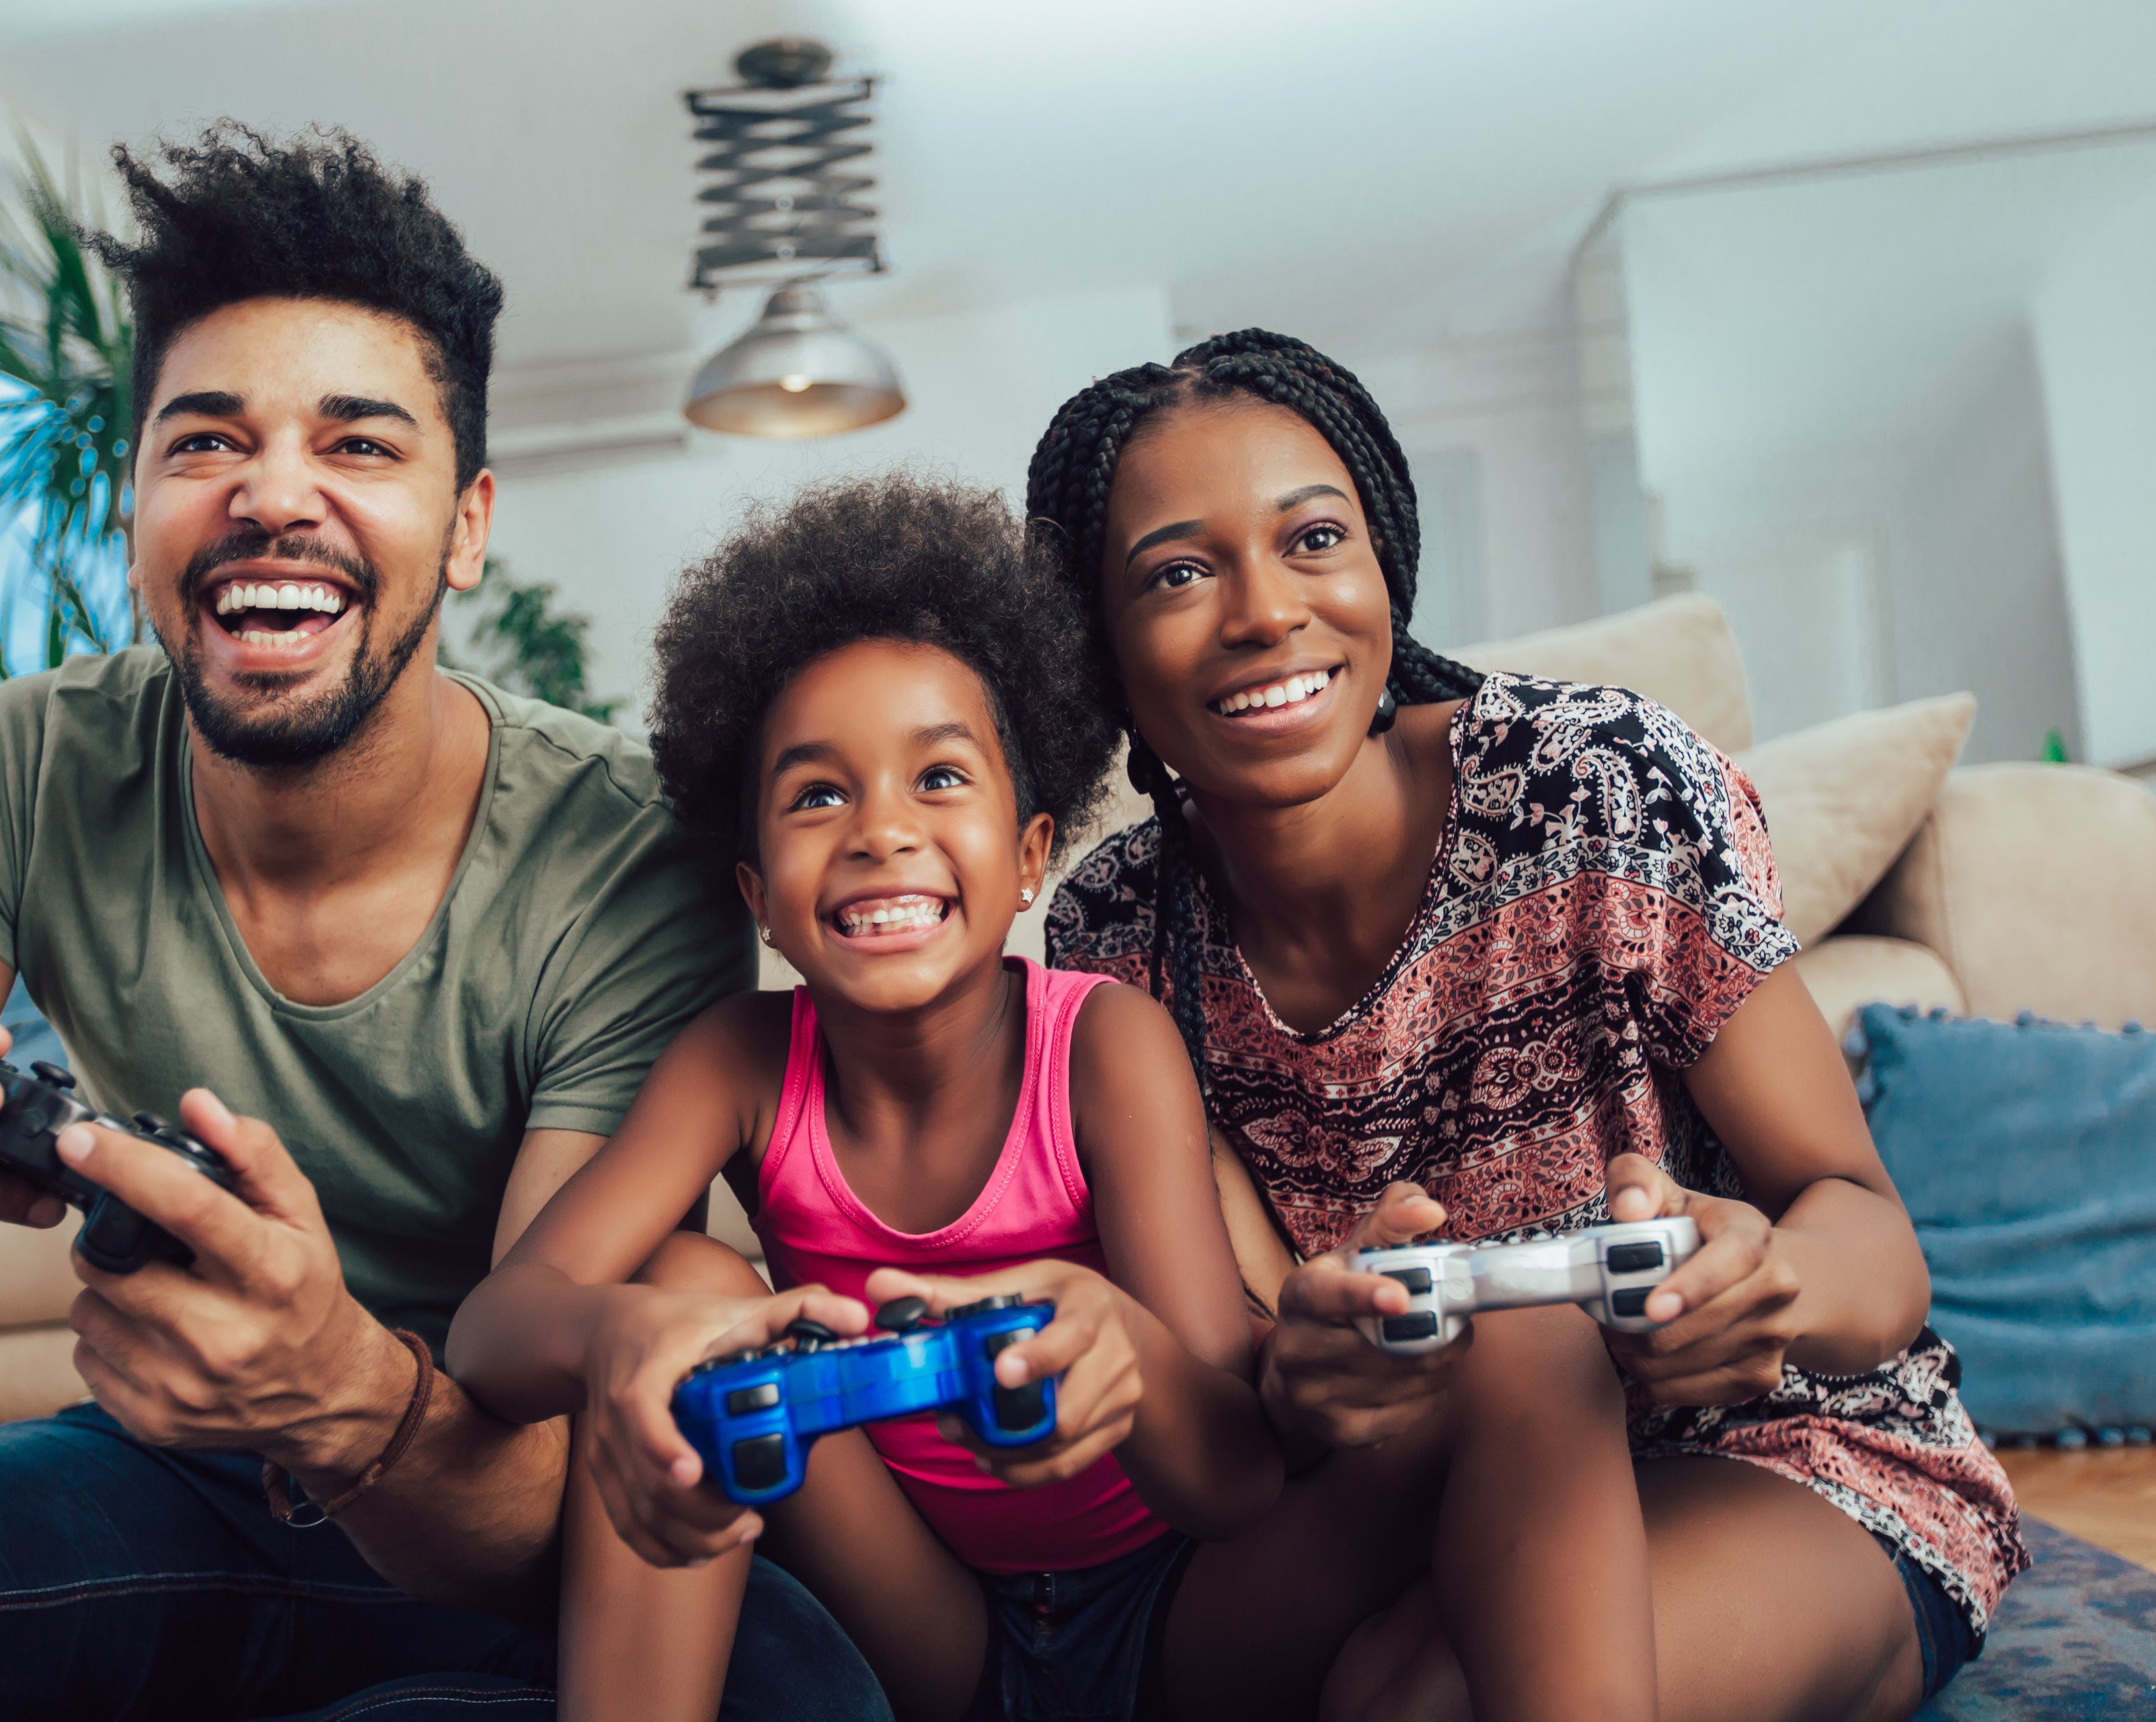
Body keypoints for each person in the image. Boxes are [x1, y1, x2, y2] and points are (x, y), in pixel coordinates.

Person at [0, 124, 884, 1722]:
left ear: (467, 523)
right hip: (171, 1478)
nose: (274, 495)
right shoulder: (21, 764)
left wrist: (335, 1388)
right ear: (134, 511)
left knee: (797, 1690)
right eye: (205, 443)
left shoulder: (623, 844)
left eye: (358, 444)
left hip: (509, 1510)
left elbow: (545, 1479)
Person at [445, 476, 1675, 1722]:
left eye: (939, 780)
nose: (880, 832)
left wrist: (1110, 1340)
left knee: (1532, 1346)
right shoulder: (739, 1062)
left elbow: (1238, 1476)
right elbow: (495, 1335)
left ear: (1031, 856)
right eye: (819, 795)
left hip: (1182, 1615)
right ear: (758, 895)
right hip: (932, 1630)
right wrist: (624, 1345)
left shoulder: (1101, 1044)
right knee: (685, 1294)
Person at [1027, 328, 2029, 1721]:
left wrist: (1769, 1283)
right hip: (1411, 1478)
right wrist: (1301, 1377)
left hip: (1772, 1450)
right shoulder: (1118, 934)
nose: (1263, 611)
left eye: (1314, 536)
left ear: (1384, 567)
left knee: (1421, 1697)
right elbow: (1237, 1386)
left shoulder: (1596, 786)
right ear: (1100, 651)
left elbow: (1871, 1235)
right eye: (1179, 572)